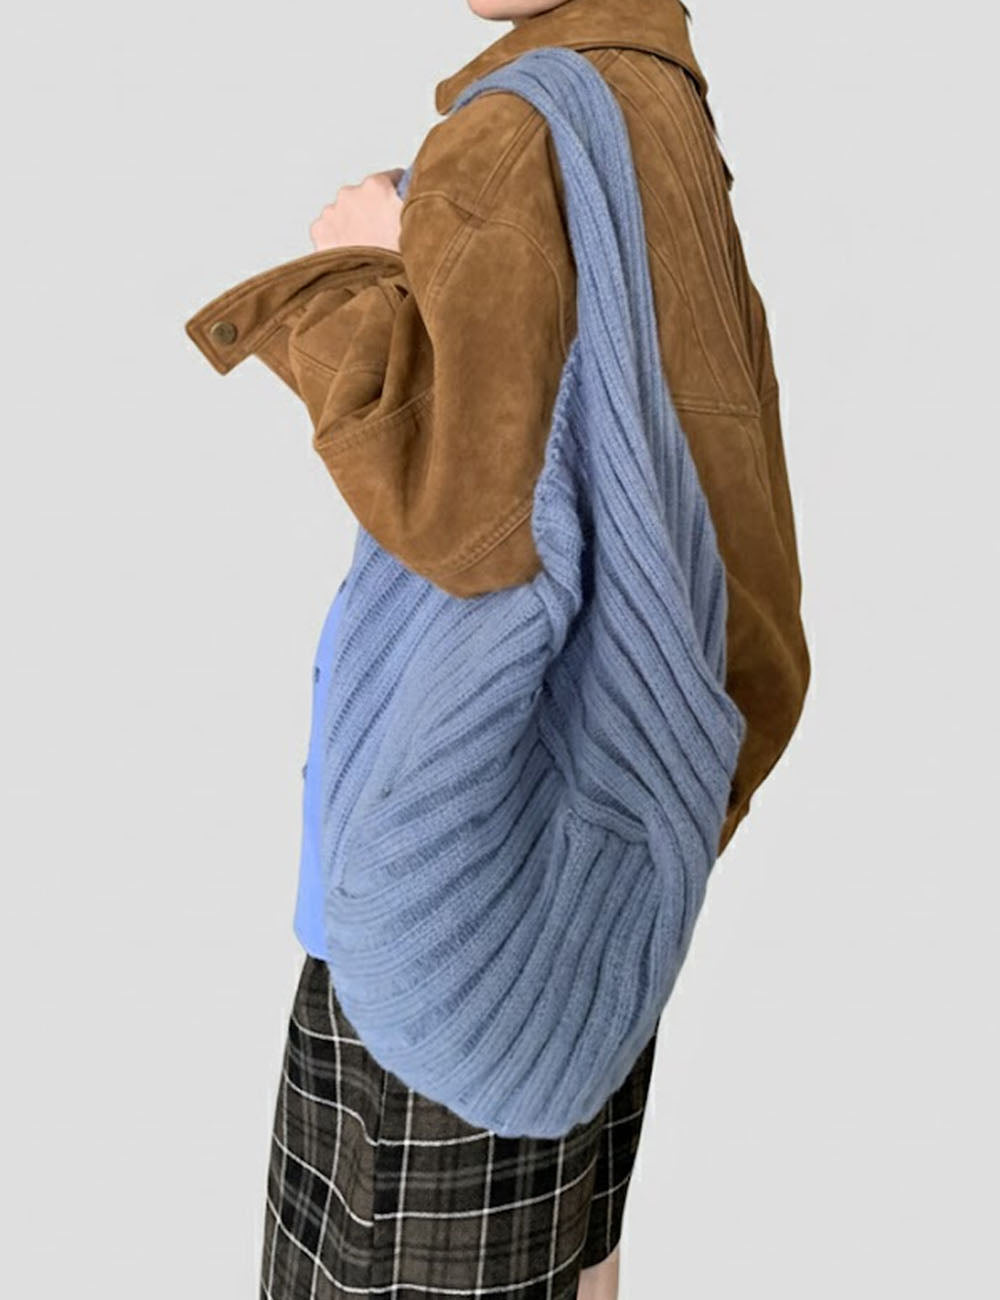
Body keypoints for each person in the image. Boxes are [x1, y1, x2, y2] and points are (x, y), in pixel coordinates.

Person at [185, 2, 810, 1296]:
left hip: (461, 889)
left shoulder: (518, 132)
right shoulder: (656, 99)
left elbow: (469, 524)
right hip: (596, 852)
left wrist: (361, 269)